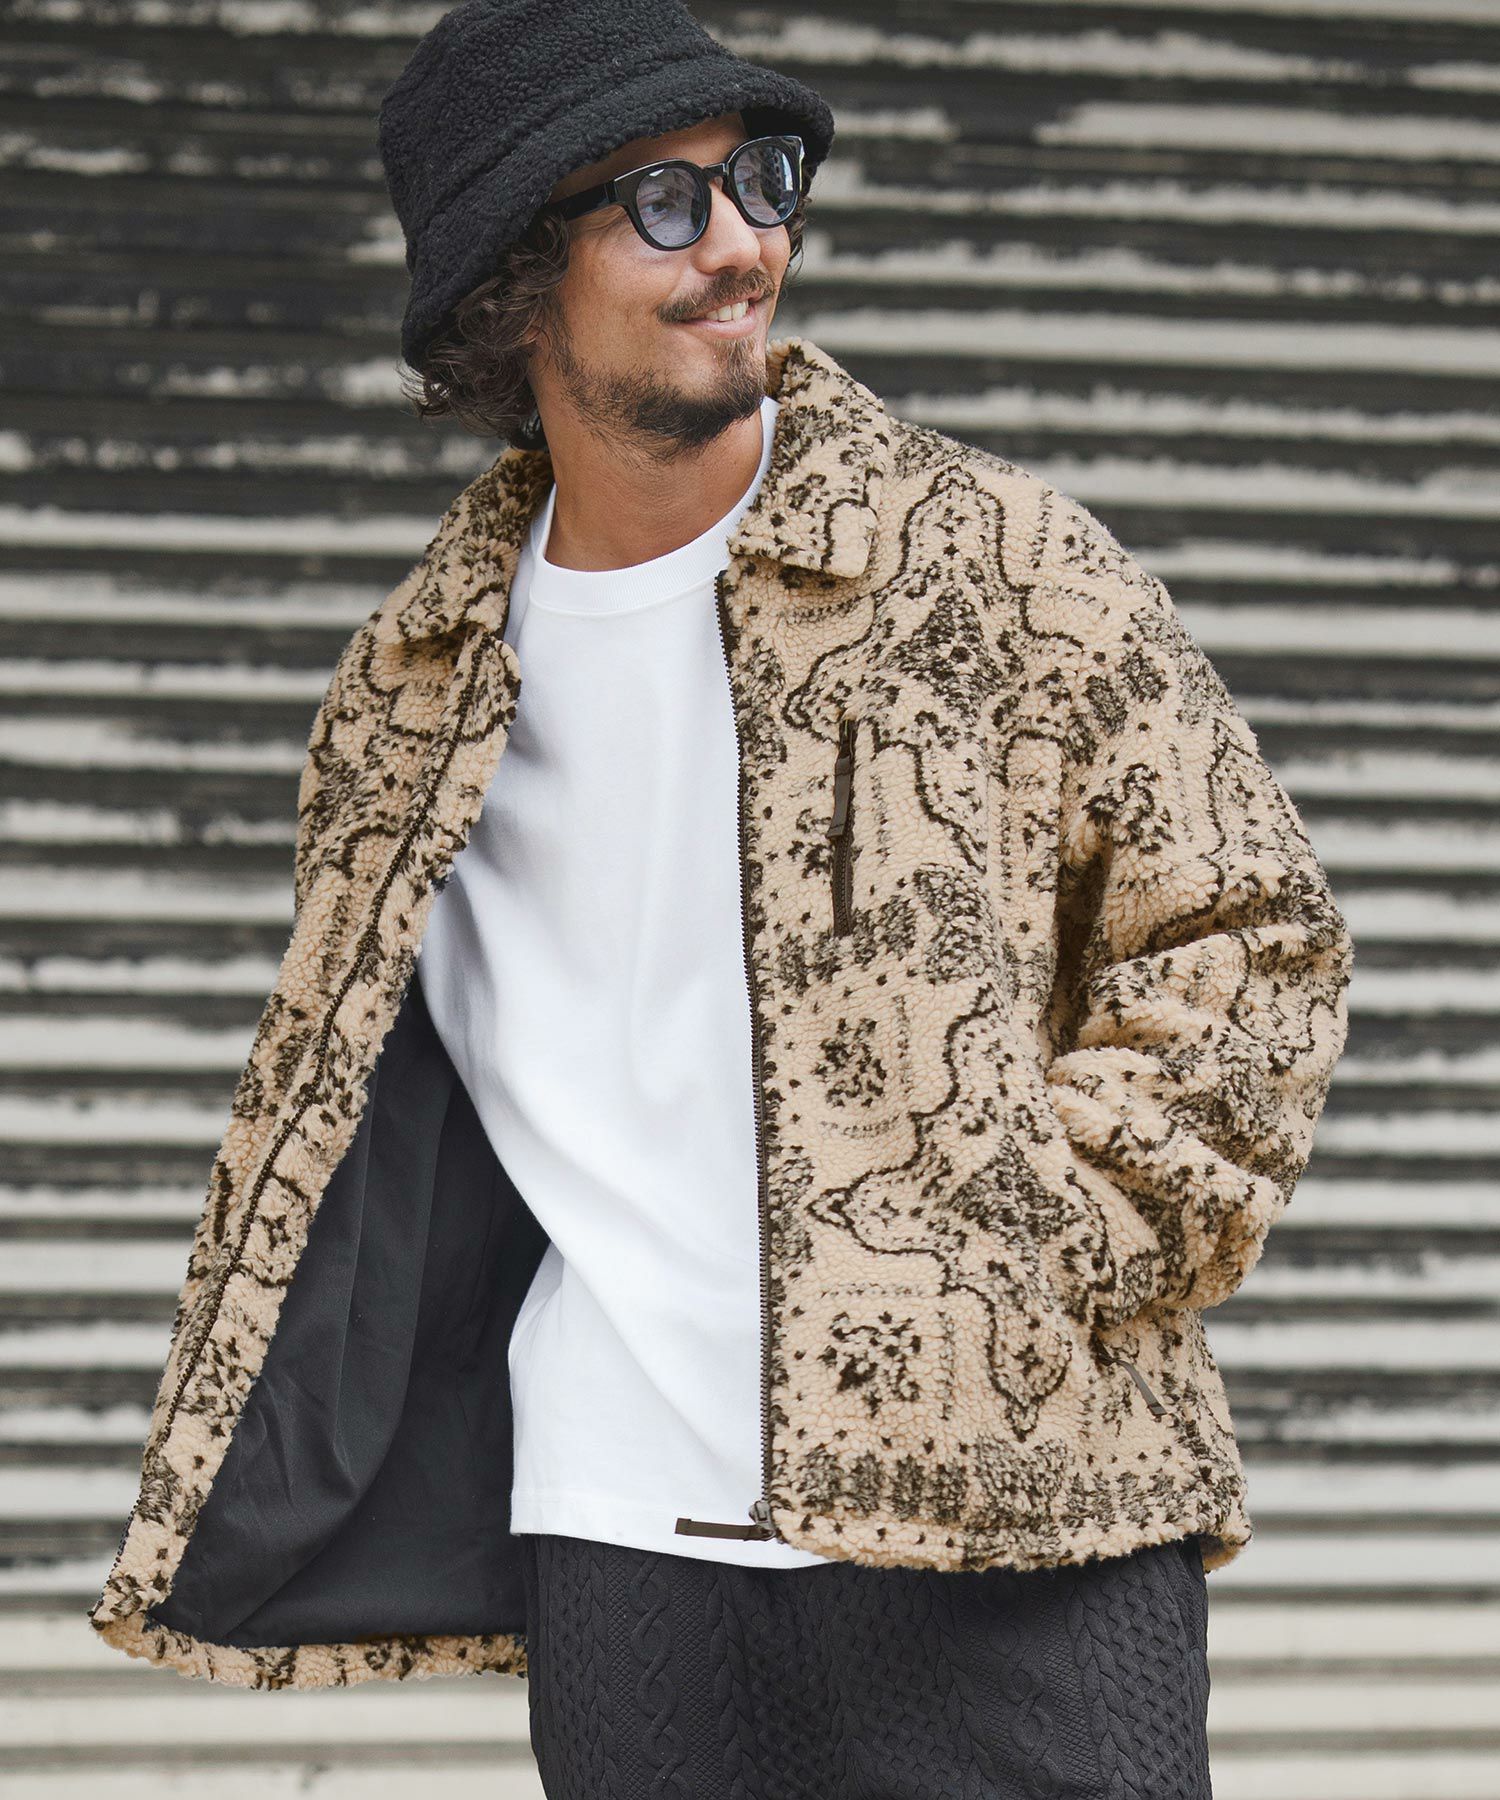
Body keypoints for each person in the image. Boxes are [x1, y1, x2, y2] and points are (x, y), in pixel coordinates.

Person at [88, 3, 1355, 1796]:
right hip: (625, 1539)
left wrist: (1038, 1252)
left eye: (760, 182)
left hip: (1023, 1503)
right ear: (514, 284)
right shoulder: (415, 686)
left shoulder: (995, 566)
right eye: (664, 204)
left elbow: (1250, 940)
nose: (745, 243)